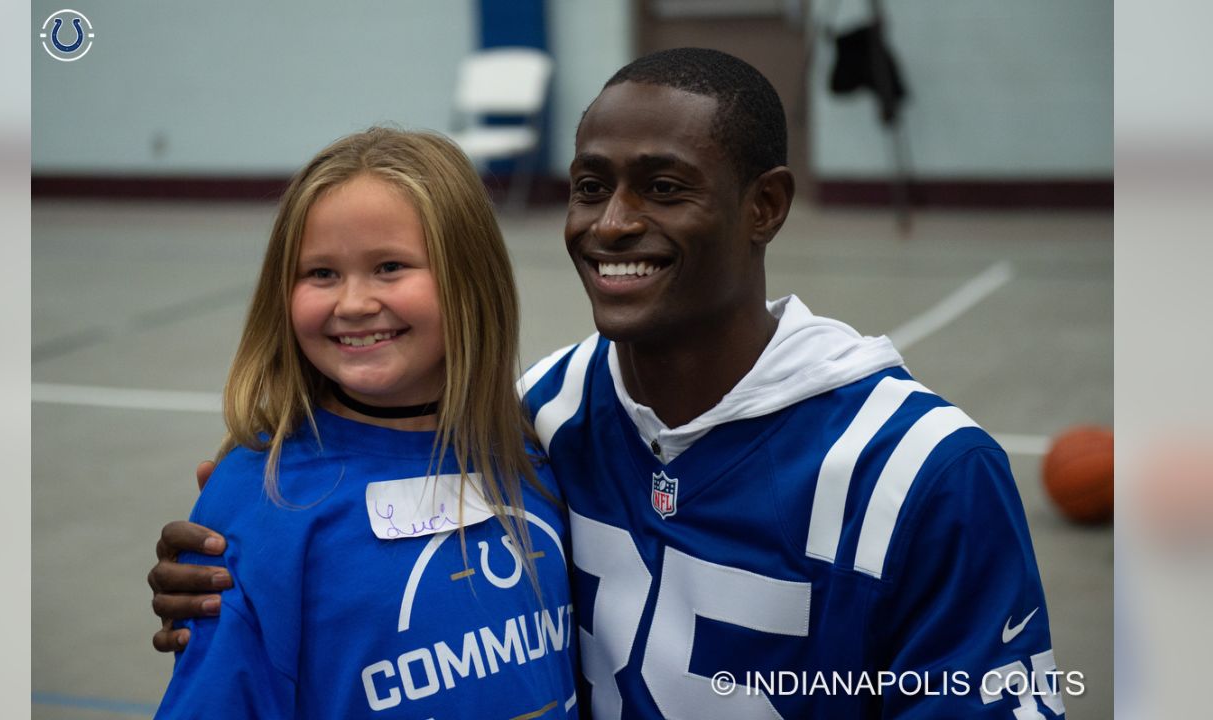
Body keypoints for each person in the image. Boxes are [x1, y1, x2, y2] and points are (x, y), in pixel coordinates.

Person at [150, 49, 1064, 718]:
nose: (612, 224)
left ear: (766, 206)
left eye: (664, 188)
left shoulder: (922, 472)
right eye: (590, 188)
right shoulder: (541, 415)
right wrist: (244, 554)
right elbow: (361, 504)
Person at [151, 128, 578, 719]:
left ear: (470, 278)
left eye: (389, 267)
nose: (352, 302)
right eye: (321, 274)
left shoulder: (537, 454)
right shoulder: (262, 498)